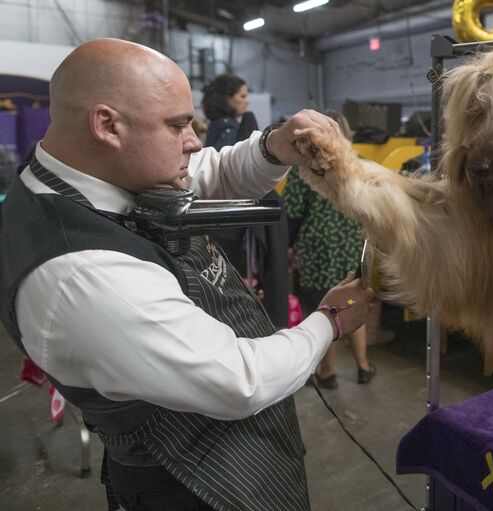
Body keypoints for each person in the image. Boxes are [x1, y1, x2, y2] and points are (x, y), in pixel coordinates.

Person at [0, 38, 373, 511]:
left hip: (230, 449)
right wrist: (330, 321)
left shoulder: (90, 171)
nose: (195, 140)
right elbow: (242, 379)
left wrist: (275, 147)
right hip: (189, 482)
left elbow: (206, 170)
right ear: (107, 125)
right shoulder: (80, 273)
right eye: (177, 126)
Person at [284, 110, 376, 389]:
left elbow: (292, 210)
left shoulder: (306, 169)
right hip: (352, 241)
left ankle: (327, 372)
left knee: (325, 308)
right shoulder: (360, 164)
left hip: (318, 245)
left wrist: (288, 246)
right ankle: (363, 367)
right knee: (353, 301)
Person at [202, 74, 290, 327]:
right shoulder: (231, 132)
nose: (246, 103)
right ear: (227, 99)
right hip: (233, 230)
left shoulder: (216, 129)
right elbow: (232, 176)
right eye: (242, 97)